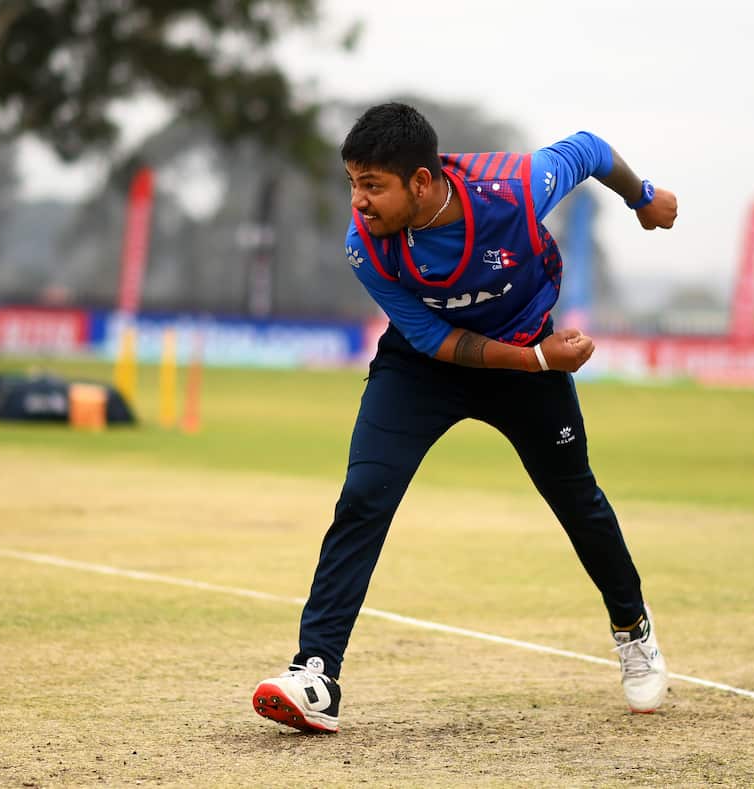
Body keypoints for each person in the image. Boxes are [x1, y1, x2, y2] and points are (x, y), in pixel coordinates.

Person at [252, 102, 678, 733]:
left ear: (420, 183)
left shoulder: (516, 189)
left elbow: (588, 149)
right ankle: (315, 672)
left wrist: (641, 196)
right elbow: (435, 341)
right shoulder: (363, 245)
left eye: (373, 186)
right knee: (364, 496)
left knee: (577, 501)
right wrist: (535, 359)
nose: (359, 201)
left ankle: (633, 631)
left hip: (528, 364)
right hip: (425, 368)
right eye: (352, 183)